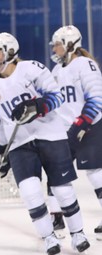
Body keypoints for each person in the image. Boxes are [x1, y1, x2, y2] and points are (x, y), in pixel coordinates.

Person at [0, 32, 90, 255]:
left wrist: (37, 106)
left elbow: (57, 96)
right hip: (19, 143)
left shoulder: (32, 69)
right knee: (30, 192)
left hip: (50, 134)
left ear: (10, 51)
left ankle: (77, 233)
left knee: (62, 189)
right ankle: (49, 237)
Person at [49, 25, 102, 239]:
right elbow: (54, 102)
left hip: (90, 126)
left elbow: (97, 97)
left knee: (96, 172)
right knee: (56, 172)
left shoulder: (85, 65)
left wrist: (82, 123)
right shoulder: (56, 70)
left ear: (71, 45)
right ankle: (57, 218)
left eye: (58, 45)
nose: (55, 49)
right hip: (63, 129)